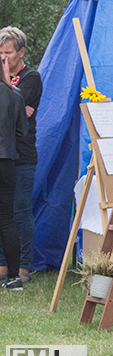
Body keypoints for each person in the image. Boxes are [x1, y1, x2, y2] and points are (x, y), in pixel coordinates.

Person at [0, 27, 41, 286]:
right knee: (3, 214)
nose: (4, 58)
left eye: (8, 53)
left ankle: (24, 267)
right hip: (5, 154)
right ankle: (4, 266)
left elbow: (19, 112)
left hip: (22, 155)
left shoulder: (31, 78)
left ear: (21, 52)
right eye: (0, 53)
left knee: (20, 211)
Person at [0, 50, 28, 290]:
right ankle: (14, 278)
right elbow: (23, 133)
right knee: (7, 221)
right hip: (7, 160)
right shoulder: (15, 95)